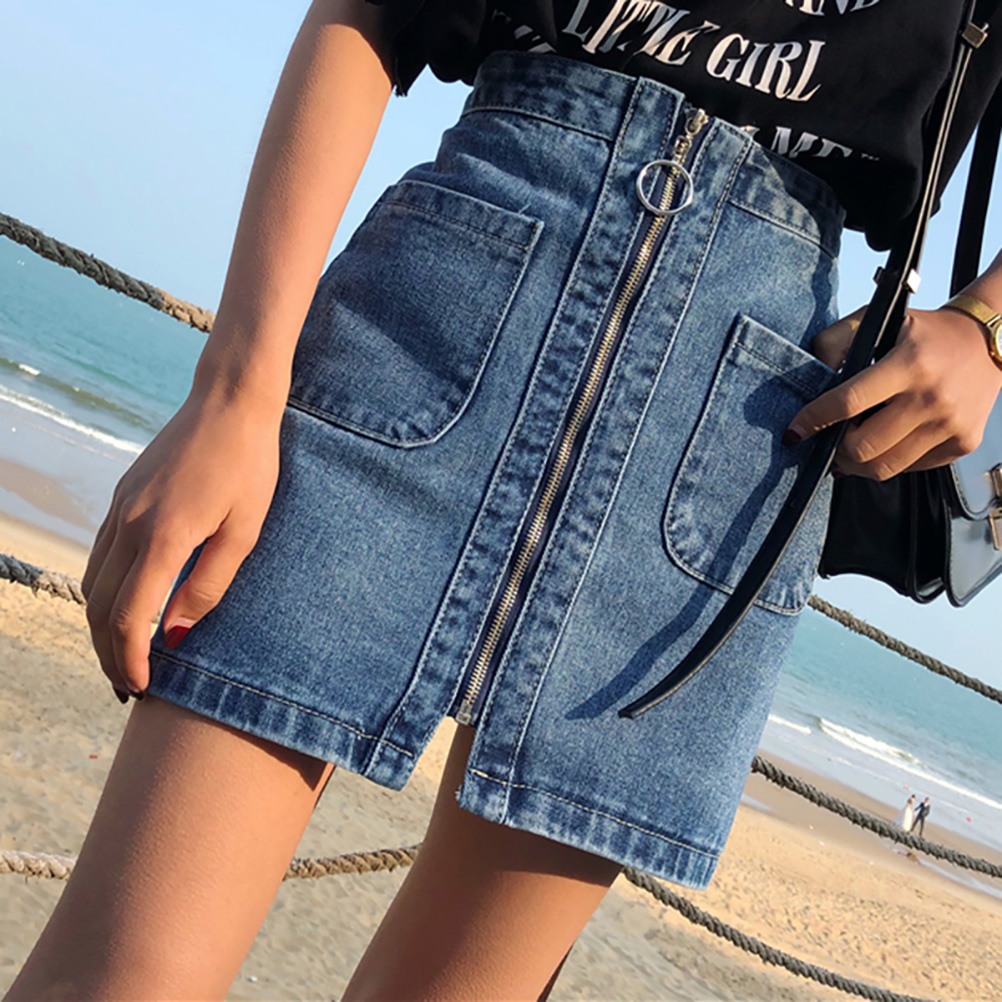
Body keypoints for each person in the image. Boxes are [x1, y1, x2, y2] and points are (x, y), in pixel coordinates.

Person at [8, 3, 1002, 999]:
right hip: (438, 311)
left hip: (733, 425)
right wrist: (236, 388)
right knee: (117, 979)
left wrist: (986, 328)